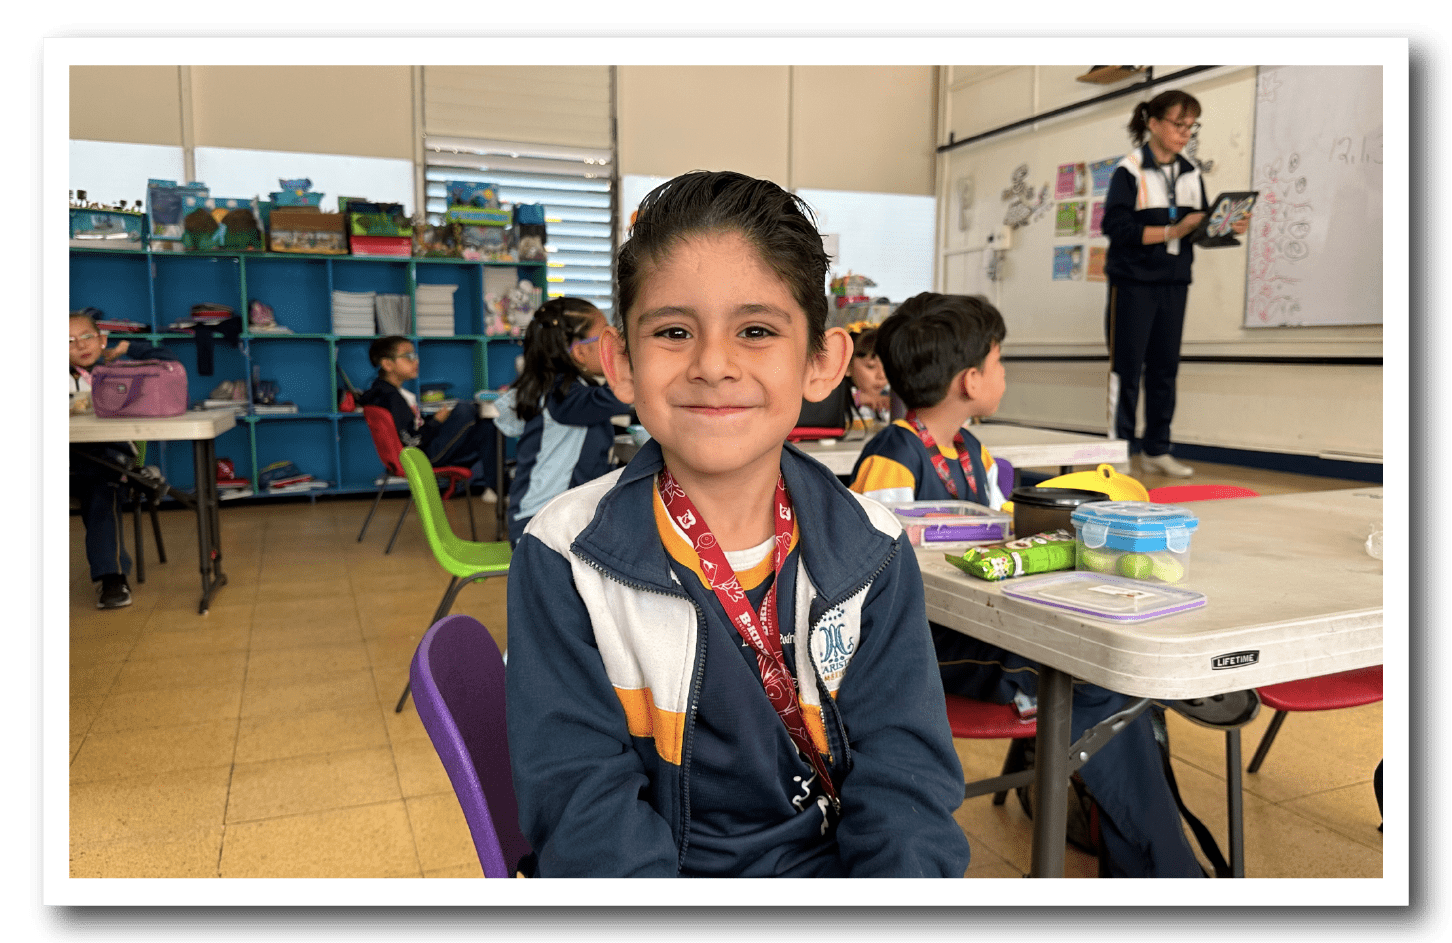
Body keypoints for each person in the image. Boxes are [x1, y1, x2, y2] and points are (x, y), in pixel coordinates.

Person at [505, 170, 972, 878]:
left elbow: (907, 790)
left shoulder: (874, 549)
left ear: (821, 363)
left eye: (756, 330)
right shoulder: (564, 556)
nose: (713, 365)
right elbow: (585, 812)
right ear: (622, 364)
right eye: (673, 331)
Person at [849, 292, 1258, 878]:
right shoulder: (891, 457)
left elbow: (1003, 529)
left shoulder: (973, 453)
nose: (1004, 373)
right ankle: (1167, 869)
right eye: (999, 361)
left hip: (991, 625)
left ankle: (1157, 865)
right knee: (1100, 680)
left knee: (1107, 677)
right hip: (932, 648)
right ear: (969, 380)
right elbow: (871, 578)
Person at [1102, 89, 1249, 479]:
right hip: (1132, 283)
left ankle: (1157, 449)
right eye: (1178, 124)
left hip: (1174, 281)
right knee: (1126, 369)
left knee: (1164, 369)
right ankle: (1118, 452)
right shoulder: (1129, 170)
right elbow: (1116, 229)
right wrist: (1172, 230)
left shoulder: (1191, 172)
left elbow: (1197, 231)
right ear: (1153, 124)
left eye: (1191, 126)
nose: (1185, 133)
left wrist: (1225, 227)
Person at [492, 298, 632, 547]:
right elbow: (621, 396)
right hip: (540, 526)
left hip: (562, 518)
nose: (616, 346)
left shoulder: (572, 390)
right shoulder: (562, 396)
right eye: (606, 338)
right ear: (580, 352)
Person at [68, 309, 176, 609]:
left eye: (87, 337)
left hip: (108, 463)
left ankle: (112, 578)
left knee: (103, 490)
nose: (80, 345)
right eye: (68, 341)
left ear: (102, 340)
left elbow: (168, 362)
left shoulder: (122, 371)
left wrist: (129, 347)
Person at [358, 335, 495, 475]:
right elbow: (412, 440)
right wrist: (436, 421)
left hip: (420, 453)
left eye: (415, 356)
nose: (416, 361)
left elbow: (409, 430)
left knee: (486, 427)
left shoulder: (381, 391)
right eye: (408, 356)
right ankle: (493, 483)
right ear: (387, 364)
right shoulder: (392, 398)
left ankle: (491, 483)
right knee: (464, 409)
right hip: (421, 458)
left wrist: (435, 421)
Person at [845, 325, 891, 429]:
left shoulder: (889, 395)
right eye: (871, 366)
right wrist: (857, 398)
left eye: (887, 367)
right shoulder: (838, 396)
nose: (882, 375)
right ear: (846, 367)